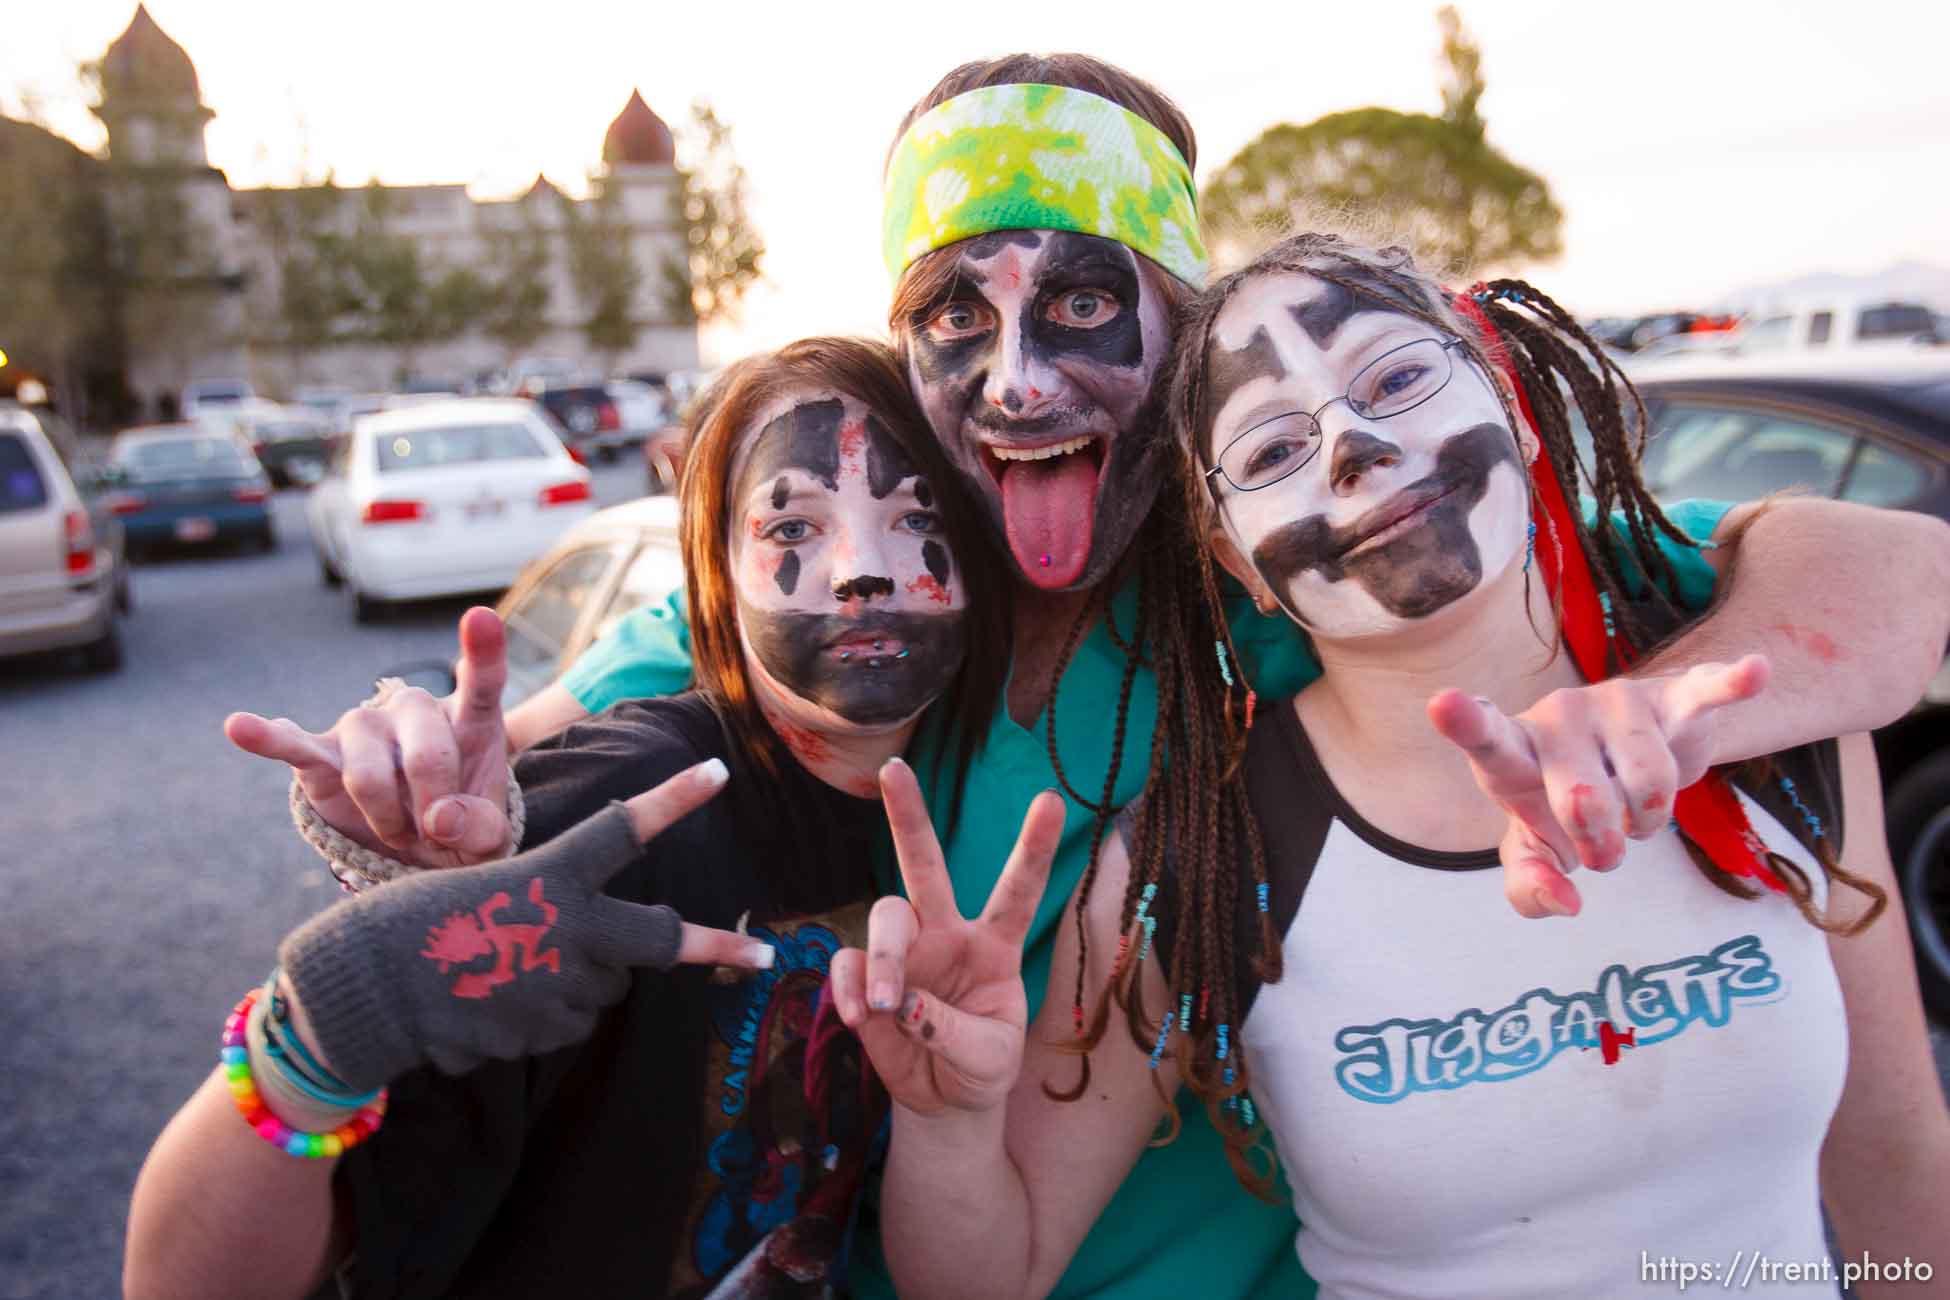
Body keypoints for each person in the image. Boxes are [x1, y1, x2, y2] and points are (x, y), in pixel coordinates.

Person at [240, 57, 1950, 1300]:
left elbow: (1878, 567)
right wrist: (415, 813)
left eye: (1081, 303)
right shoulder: (870, 604)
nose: (1017, 380)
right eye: (956, 322)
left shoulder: (1295, 564)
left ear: (1184, 326)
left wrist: (1664, 702)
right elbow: (547, 749)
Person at [832, 235, 1950, 1299]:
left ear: (1511, 400)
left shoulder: (1757, 707)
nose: (1354, 449)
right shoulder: (1206, 853)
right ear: (1236, 560)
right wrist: (949, 1123)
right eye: (1272, 449)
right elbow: (992, 1268)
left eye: (1400, 379)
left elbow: (1898, 1165)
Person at [123, 338, 1038, 1300]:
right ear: (714, 582)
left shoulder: (961, 823)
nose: (863, 573)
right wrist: (318, 1029)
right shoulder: (625, 810)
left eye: (916, 517)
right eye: (794, 532)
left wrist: (955, 1122)